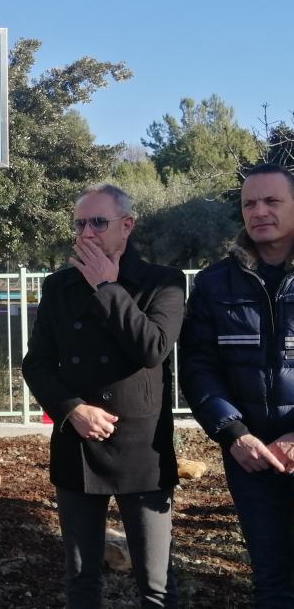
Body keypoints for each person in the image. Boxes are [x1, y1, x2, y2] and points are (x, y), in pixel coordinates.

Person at [22, 183, 184, 608]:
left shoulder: (162, 282)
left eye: (98, 222)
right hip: (79, 445)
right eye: (80, 224)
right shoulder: (59, 287)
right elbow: (36, 364)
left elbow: (152, 348)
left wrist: (108, 288)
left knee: (155, 585)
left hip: (142, 450)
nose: (87, 233)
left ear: (126, 226)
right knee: (81, 580)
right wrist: (72, 409)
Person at [180, 162, 294, 607]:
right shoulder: (213, 283)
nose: (259, 211)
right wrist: (234, 434)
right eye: (249, 203)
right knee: (271, 581)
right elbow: (198, 367)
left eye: (271, 201)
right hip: (250, 458)